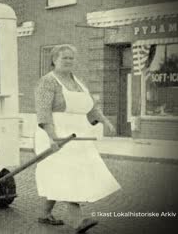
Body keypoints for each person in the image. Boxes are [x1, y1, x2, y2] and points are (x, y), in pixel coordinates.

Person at [34, 44, 121, 233]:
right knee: (65, 175)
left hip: (79, 137)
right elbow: (43, 112)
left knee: (68, 174)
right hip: (55, 135)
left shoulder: (79, 83)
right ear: (54, 59)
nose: (68, 61)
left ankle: (44, 213)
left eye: (71, 58)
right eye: (64, 58)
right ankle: (77, 219)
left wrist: (105, 121)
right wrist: (52, 136)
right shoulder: (47, 81)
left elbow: (92, 107)